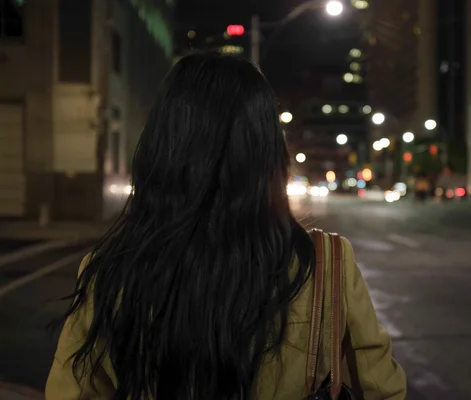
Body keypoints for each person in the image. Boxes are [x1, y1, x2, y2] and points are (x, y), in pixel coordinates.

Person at [46, 53, 406, 400]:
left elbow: (72, 391)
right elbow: (384, 388)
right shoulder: (327, 265)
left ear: (162, 148)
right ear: (267, 149)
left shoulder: (110, 270)